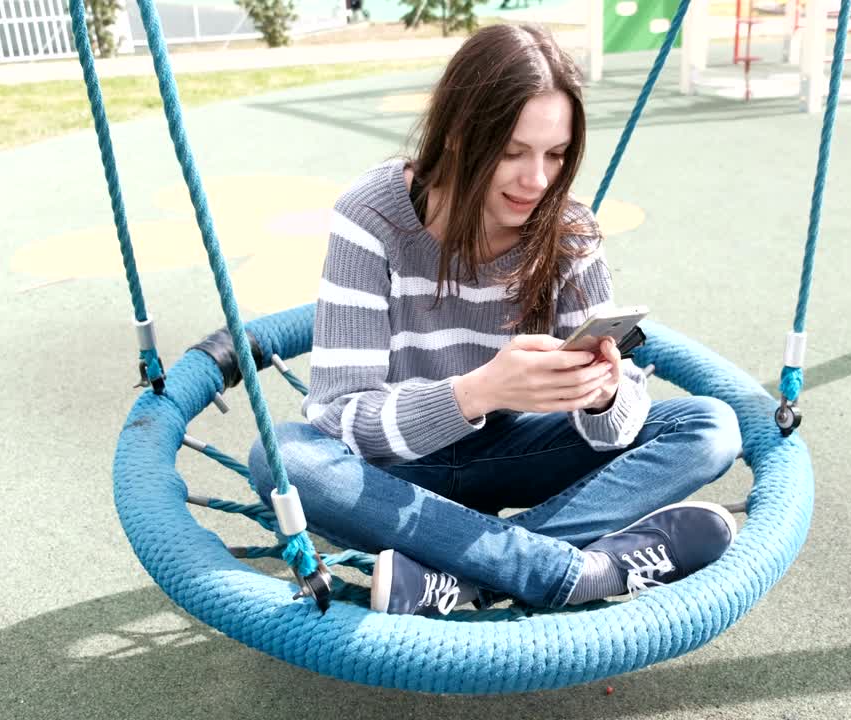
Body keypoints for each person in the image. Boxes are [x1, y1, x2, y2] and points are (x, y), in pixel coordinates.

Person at [248, 24, 743, 616]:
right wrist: (476, 392)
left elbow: (617, 431)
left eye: (555, 155)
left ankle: (468, 578)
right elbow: (339, 419)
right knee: (284, 456)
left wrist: (603, 396)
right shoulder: (372, 217)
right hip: (400, 477)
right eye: (512, 152)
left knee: (708, 427)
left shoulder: (568, 231)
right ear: (459, 135)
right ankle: (572, 569)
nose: (537, 180)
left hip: (513, 457)